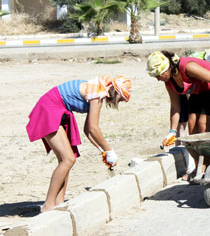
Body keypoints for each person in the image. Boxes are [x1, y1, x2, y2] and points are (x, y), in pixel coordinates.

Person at [26, 75, 132, 212]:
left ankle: (59, 203)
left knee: (67, 160)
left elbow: (88, 129)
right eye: (121, 99)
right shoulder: (98, 94)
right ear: (116, 92)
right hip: (49, 108)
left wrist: (102, 151)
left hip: (55, 109)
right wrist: (110, 150)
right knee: (68, 159)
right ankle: (48, 205)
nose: (118, 103)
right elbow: (93, 128)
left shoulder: (99, 90)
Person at [146, 50, 210, 180]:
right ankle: (198, 167)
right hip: (199, 91)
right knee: (191, 126)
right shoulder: (169, 82)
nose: (157, 79)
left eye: (158, 75)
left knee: (202, 126)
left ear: (166, 70)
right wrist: (172, 131)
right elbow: (175, 106)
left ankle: (207, 167)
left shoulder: (187, 67)